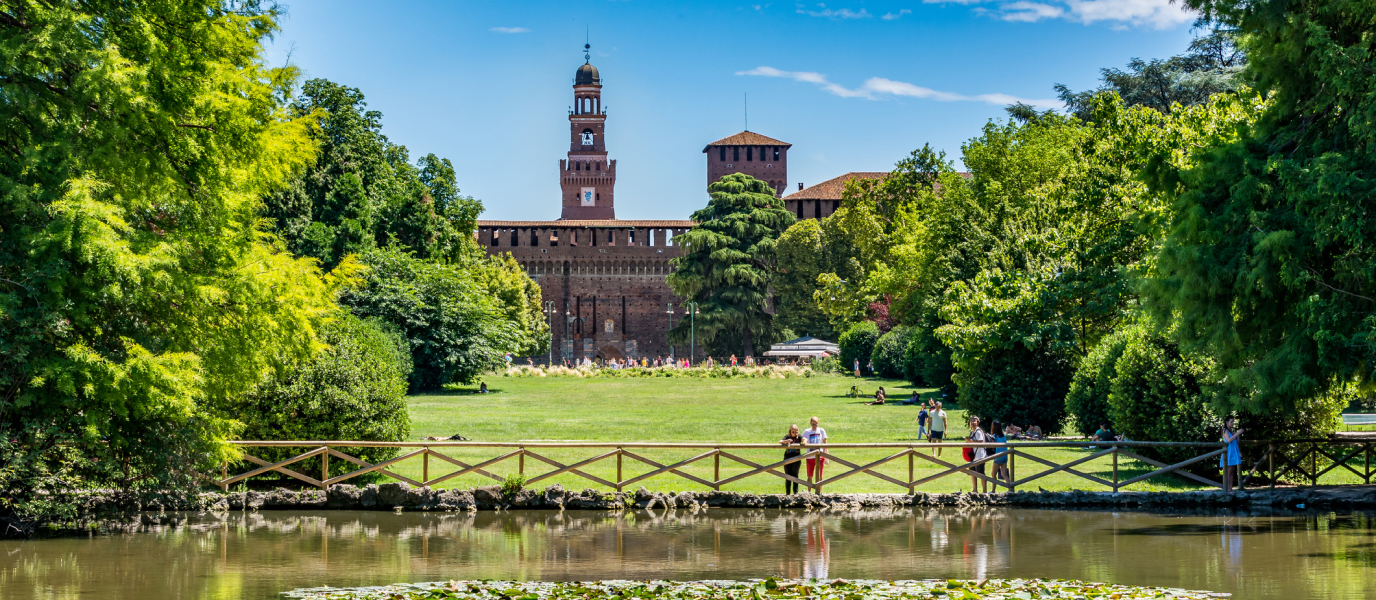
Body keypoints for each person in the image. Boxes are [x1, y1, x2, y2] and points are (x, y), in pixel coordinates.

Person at [802, 416, 828, 486]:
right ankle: (809, 493)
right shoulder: (807, 431)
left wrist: (825, 455)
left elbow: (825, 442)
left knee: (820, 475)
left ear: (818, 423)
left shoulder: (821, 430)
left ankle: (819, 492)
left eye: (816, 424)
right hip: (810, 457)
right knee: (810, 476)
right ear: (810, 423)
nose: (814, 426)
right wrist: (804, 441)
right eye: (813, 424)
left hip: (820, 456)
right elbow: (802, 439)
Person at [1221, 416, 1243, 493]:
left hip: (1234, 451)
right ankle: (1227, 488)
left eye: (1233, 422)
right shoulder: (1225, 430)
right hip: (1229, 451)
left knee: (1232, 470)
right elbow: (1229, 440)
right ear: (1227, 422)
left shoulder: (1231, 431)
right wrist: (1237, 433)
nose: (1232, 423)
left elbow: (1237, 441)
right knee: (1229, 470)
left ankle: (1230, 488)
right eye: (1231, 422)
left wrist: (1238, 434)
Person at [966, 416, 989, 493]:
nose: (972, 422)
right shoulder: (972, 432)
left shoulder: (978, 431)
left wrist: (971, 441)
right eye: (971, 421)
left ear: (977, 422)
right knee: (972, 473)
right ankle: (975, 490)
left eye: (974, 421)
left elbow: (981, 441)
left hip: (980, 456)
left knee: (981, 474)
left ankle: (984, 491)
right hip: (974, 456)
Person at [780, 424, 804, 494]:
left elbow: (804, 439)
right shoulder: (787, 436)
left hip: (796, 458)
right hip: (787, 457)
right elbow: (780, 441)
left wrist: (804, 441)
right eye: (792, 432)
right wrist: (786, 441)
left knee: (795, 475)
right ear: (790, 431)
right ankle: (788, 493)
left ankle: (795, 493)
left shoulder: (798, 437)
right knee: (788, 475)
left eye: (795, 432)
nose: (794, 433)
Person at [990, 420, 1010, 484]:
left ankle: (993, 491)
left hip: (998, 457)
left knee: (993, 474)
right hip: (1005, 456)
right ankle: (1010, 489)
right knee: (1004, 474)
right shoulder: (1003, 435)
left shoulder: (994, 436)